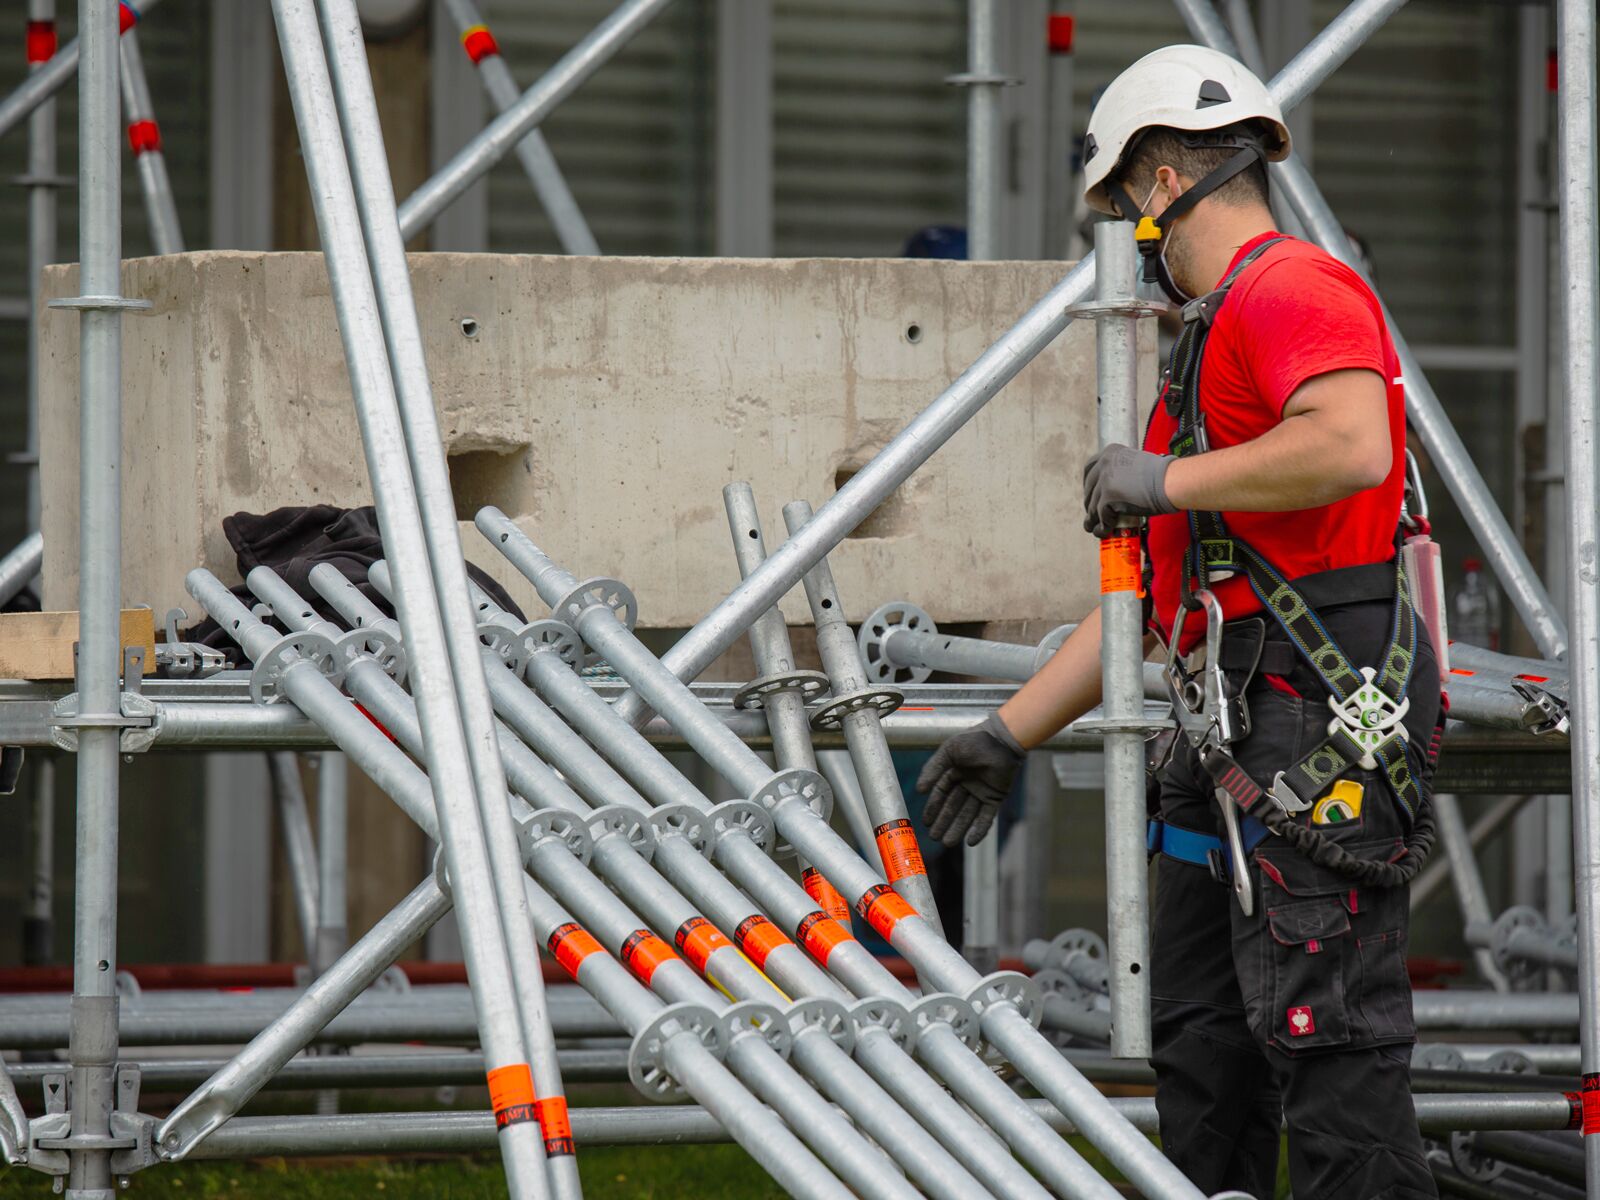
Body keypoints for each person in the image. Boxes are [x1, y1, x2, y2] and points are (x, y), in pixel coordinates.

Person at [917, 45, 1444, 1200]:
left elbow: (1351, 443)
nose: (1124, 241)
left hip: (1312, 724)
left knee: (1328, 1042)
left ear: (1161, 184)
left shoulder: (1289, 288)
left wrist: (1162, 481)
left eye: (1120, 207)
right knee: (1203, 1044)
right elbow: (1159, 612)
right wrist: (1008, 732)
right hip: (1229, 722)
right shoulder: (1204, 353)